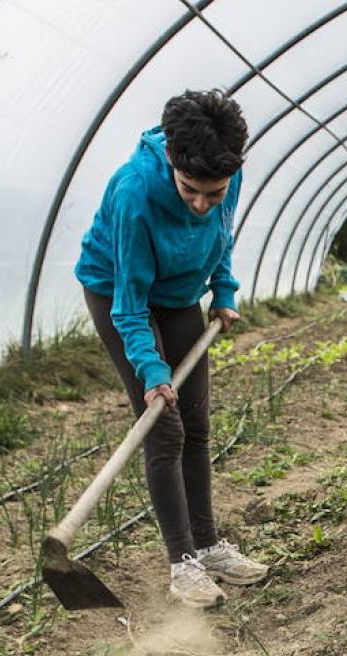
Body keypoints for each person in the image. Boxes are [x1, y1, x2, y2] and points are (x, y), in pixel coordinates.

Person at [75, 89, 267, 608]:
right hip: (121, 293)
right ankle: (183, 563)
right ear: (172, 162)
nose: (203, 203)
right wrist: (150, 369)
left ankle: (209, 547)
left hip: (181, 293)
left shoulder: (226, 172)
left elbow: (221, 235)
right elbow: (129, 303)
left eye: (215, 191)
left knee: (199, 426)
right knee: (164, 427)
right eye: (190, 191)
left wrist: (223, 291)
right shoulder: (134, 192)